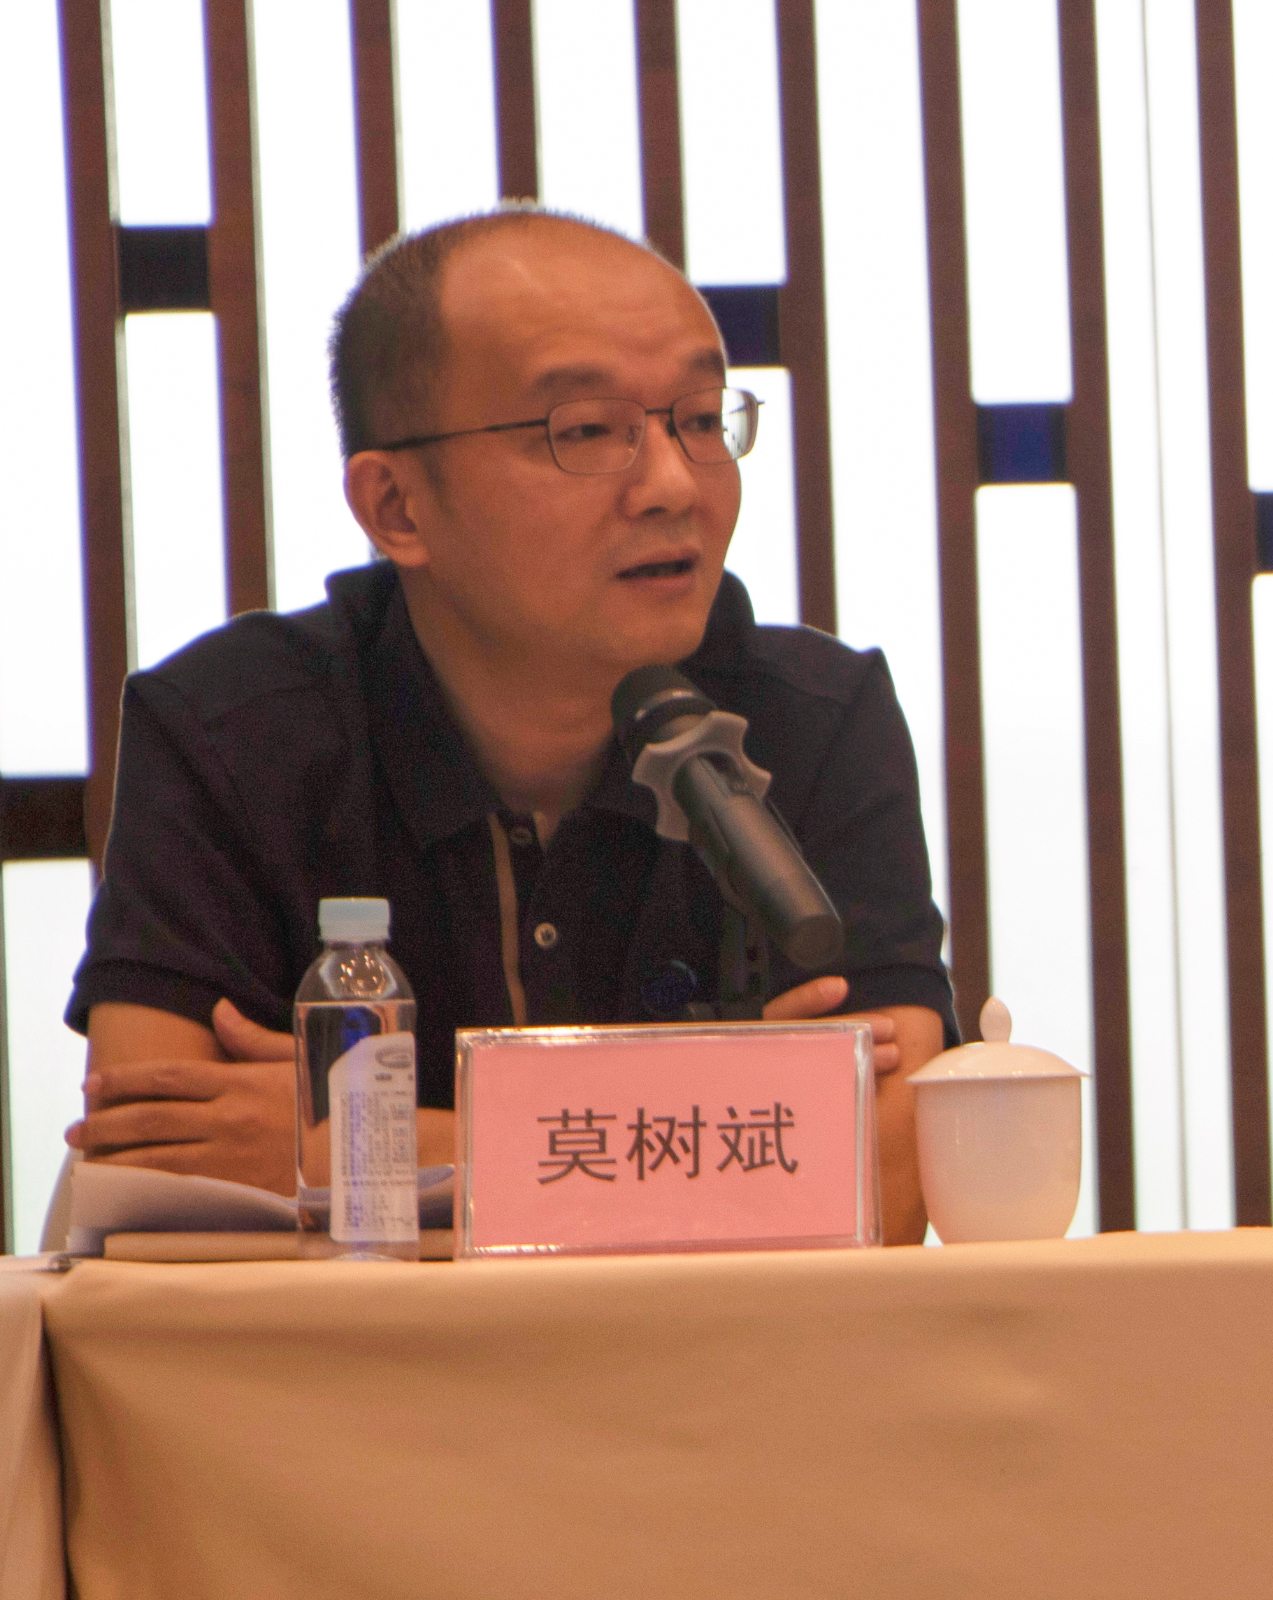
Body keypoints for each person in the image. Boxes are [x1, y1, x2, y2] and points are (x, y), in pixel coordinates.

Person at [65, 208, 955, 1243]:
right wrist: (724, 1129)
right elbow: (154, 1157)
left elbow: (894, 1170)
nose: (674, 484)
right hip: (350, 1352)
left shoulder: (812, 718)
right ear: (397, 508)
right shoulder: (230, 732)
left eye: (701, 419)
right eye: (584, 432)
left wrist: (373, 1142)